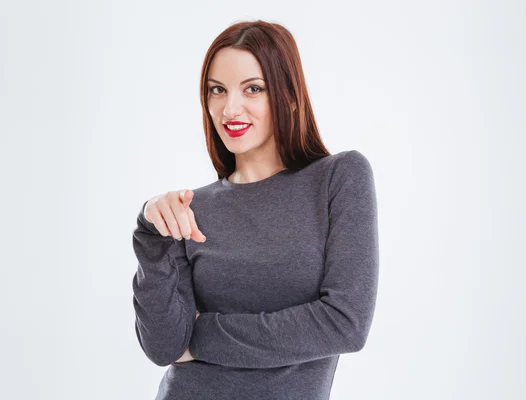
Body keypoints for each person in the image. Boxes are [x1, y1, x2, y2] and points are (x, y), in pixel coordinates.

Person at [131, 19, 379, 400]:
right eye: (217, 90)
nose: (230, 108)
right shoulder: (189, 209)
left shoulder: (339, 178)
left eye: (253, 89)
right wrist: (150, 232)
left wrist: (202, 337)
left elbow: (344, 323)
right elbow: (164, 348)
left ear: (290, 95)